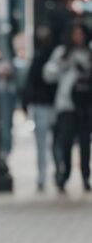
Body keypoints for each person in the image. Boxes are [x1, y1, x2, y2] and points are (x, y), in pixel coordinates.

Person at [43, 22, 92, 193]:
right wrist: (65, 64)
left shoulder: (89, 54)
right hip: (66, 105)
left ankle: (86, 176)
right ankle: (65, 174)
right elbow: (48, 74)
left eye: (81, 34)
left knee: (85, 144)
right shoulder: (62, 53)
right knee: (65, 142)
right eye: (75, 34)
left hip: (85, 105)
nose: (78, 37)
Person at [22, 25, 56, 192]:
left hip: (53, 103)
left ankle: (56, 172)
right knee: (43, 142)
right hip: (41, 103)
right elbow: (31, 81)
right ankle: (44, 175)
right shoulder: (38, 55)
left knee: (54, 142)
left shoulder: (55, 54)